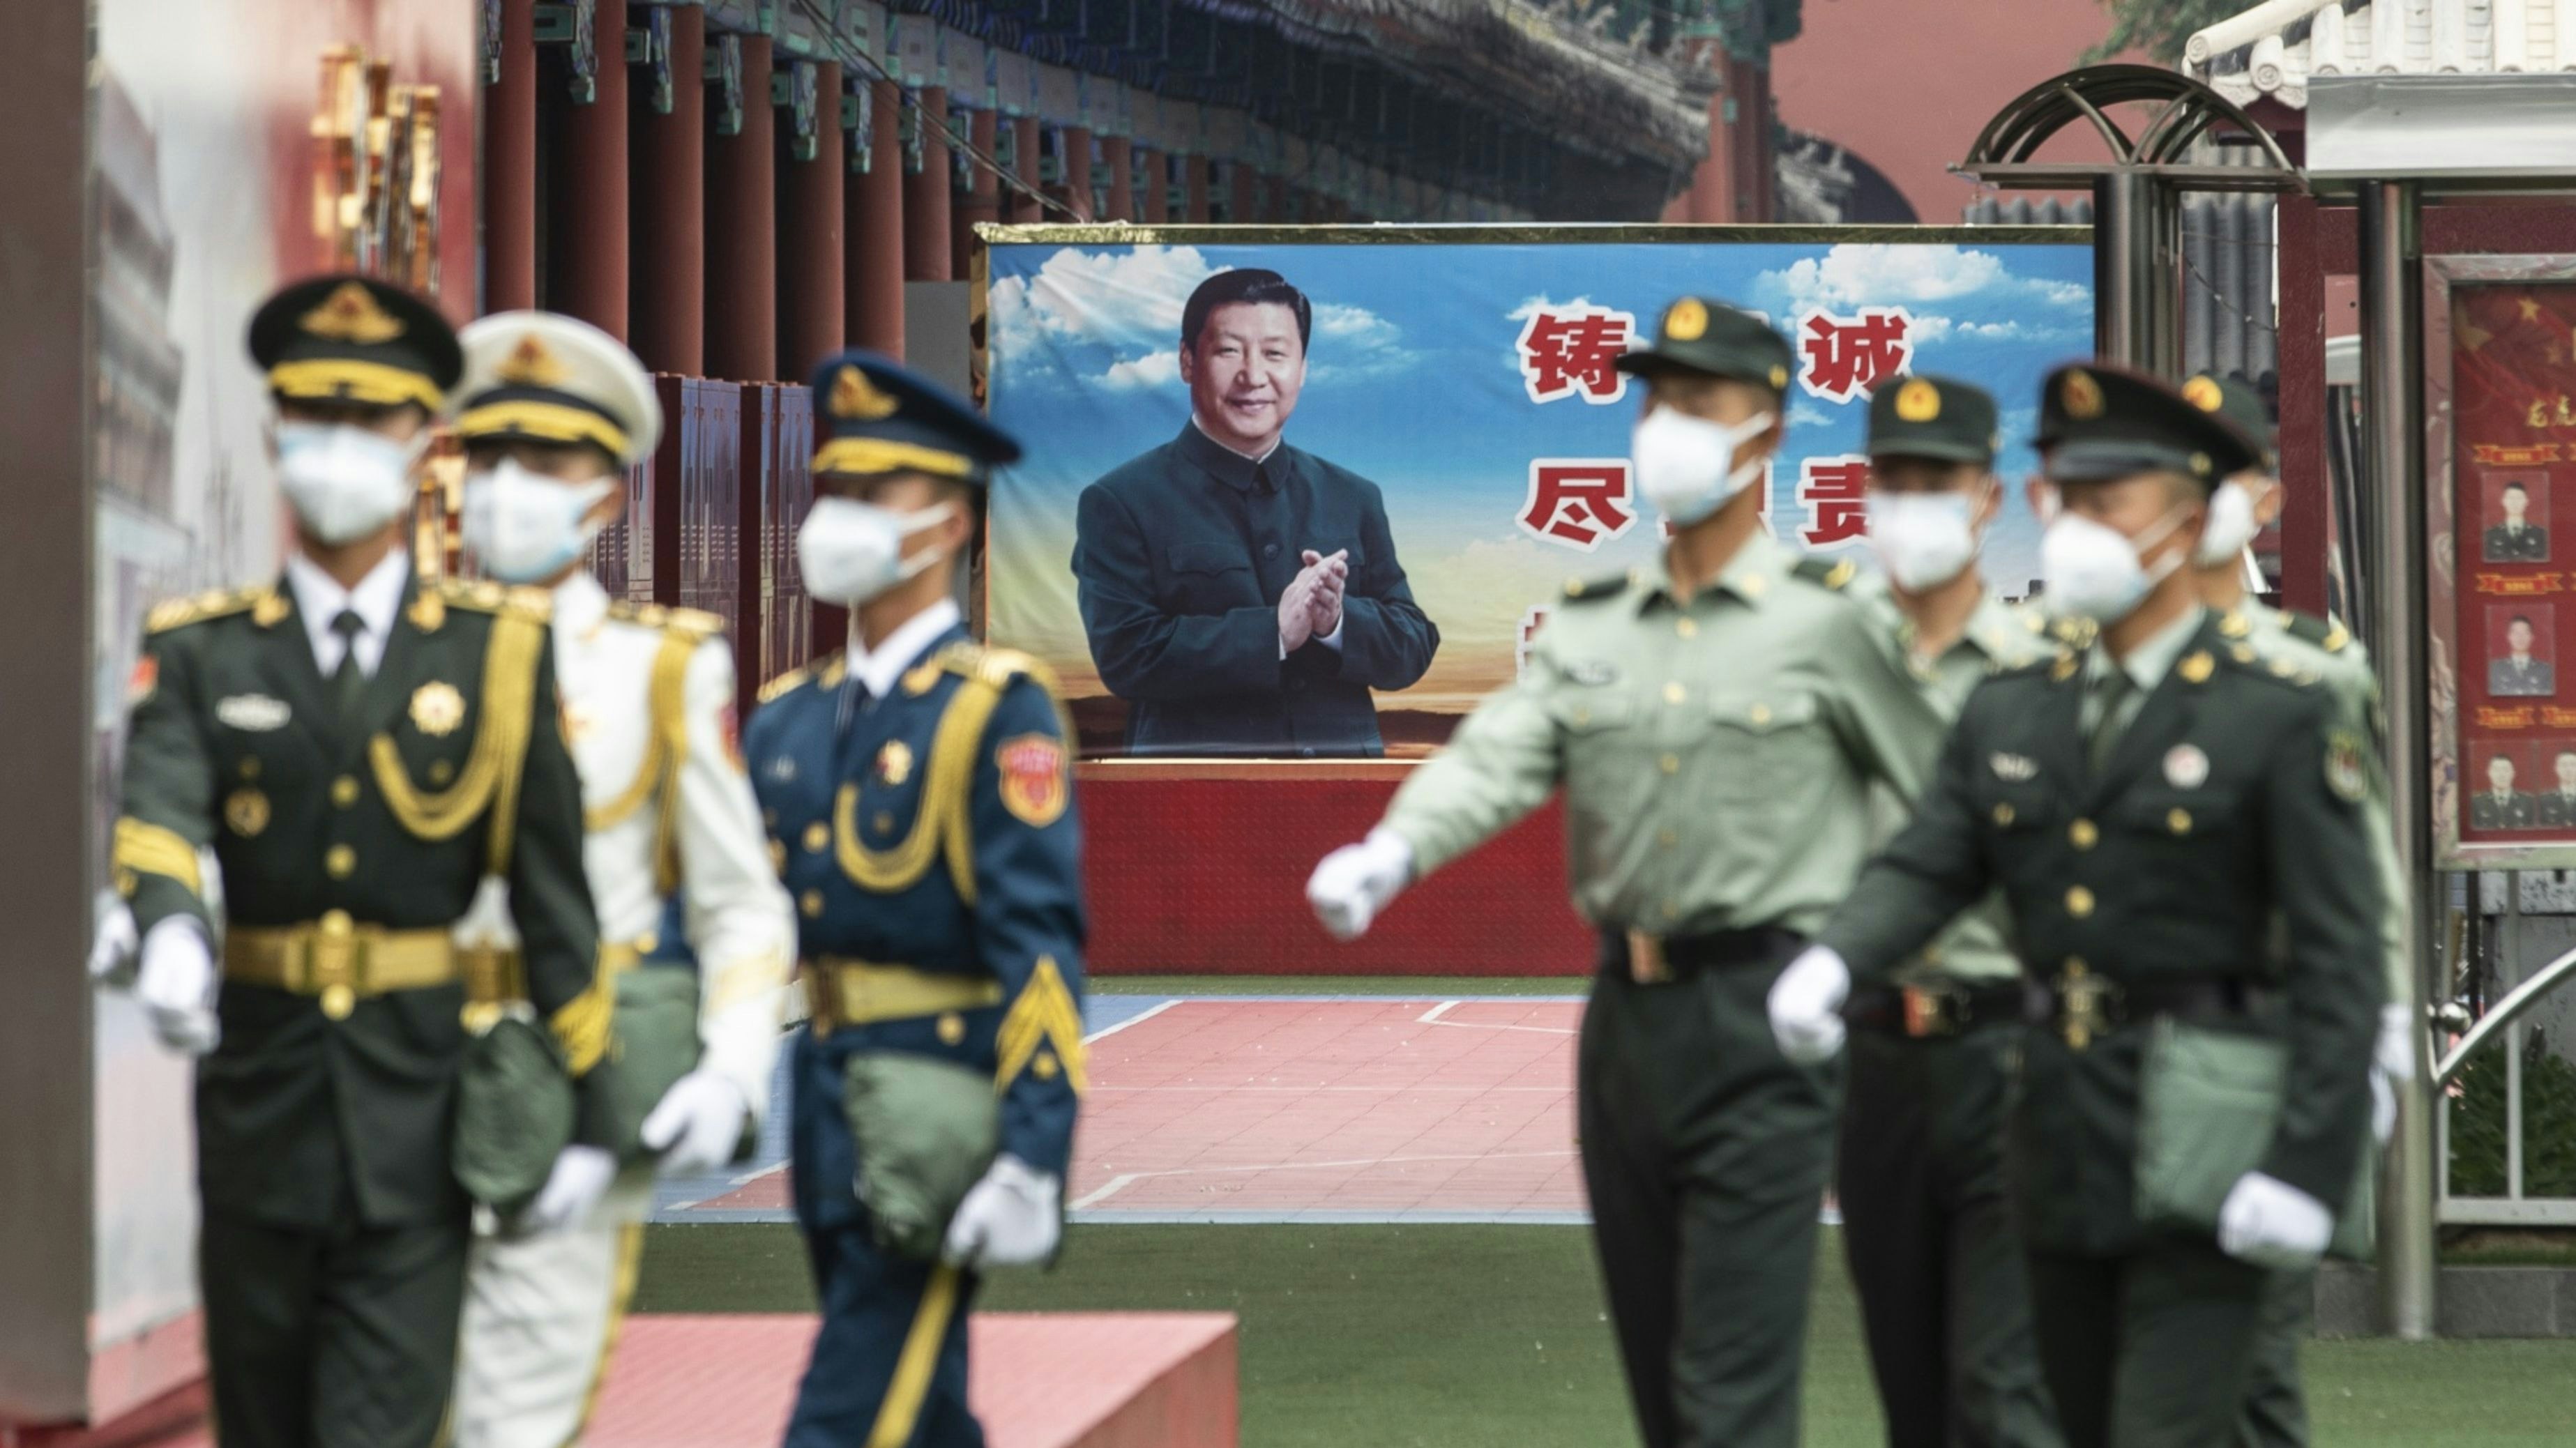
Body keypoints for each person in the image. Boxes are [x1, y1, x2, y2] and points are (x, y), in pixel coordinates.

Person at [1305, 298, 1930, 1448]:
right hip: (1625, 1032)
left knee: (1731, 1383)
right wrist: (1391, 847)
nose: (1666, 430)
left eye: (1698, 405)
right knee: (1658, 1377)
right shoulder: (1600, 623)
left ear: (1766, 432)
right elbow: (1497, 752)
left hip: (1768, 1017)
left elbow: (1935, 817)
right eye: (1654, 403)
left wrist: (1850, 956)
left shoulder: (1831, 627)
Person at [1769, 364, 2384, 1448]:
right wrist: (1835, 960)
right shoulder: (2018, 702)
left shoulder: (2278, 710)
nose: (2077, 526)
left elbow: (2342, 957)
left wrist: (2309, 1158)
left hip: (2213, 1135)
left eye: (2112, 503)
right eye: (2066, 496)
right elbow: (1930, 860)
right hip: (2056, 1133)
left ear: (2186, 521)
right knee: (2072, 1419)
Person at [101, 275, 605, 1448]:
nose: (338, 449)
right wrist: (173, 924)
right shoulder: (205, 653)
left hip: (418, 1115)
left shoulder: (496, 658)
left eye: (369, 422)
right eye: (313, 421)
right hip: (258, 1117)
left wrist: (591, 1109)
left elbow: (554, 905)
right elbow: (162, 802)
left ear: (419, 441)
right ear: (277, 438)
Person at [444, 312, 796, 1447]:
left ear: (602, 497)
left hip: (577, 1061)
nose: (507, 493)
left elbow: (738, 903)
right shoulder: (392, 653)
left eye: (543, 470)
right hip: (391, 1060)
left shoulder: (660, 670)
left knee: (516, 1407)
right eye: (488, 462)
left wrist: (733, 1067)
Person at [750, 351, 1087, 1447]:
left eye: (871, 495)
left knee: (846, 1415)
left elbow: (1037, 941)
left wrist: (1035, 1151)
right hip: (828, 1094)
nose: (836, 517)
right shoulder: (789, 717)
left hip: (939, 1102)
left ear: (947, 524)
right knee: (923, 1409)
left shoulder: (999, 709)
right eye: (832, 490)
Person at [2180, 372, 2416, 1448]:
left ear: (2265, 499)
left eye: (2217, 474)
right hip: (2095, 1061)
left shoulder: (2308, 674)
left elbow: (2354, 885)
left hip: (2245, 1058)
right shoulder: (2068, 665)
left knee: (2244, 1365)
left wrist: (2375, 1033)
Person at [1841, 374, 2064, 1448]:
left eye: (1940, 481)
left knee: (1999, 1385)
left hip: (2011, 1053)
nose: (1915, 502)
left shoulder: (2049, 673)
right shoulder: (1821, 657)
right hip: (1869, 1058)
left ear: (1988, 498)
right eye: (1895, 480)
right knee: (1910, 1387)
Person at [1073, 267, 1439, 757]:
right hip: (1197, 800)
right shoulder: (1121, 500)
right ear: (1187, 360)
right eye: (1229, 350)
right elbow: (1127, 655)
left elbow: (1413, 644)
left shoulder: (1353, 495)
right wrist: (1274, 633)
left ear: (1303, 368)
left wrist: (1336, 622)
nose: (1254, 376)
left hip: (1343, 795)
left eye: (1275, 353)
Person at [2490, 615, 2554, 696]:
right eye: (2516, 633)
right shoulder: (2495, 669)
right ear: (2509, 637)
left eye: (2525, 633)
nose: (2520, 638)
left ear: (2532, 637)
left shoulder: (2546, 670)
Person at [2484, 481, 2548, 563]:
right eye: (2511, 498)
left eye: (2519, 498)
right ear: (2504, 501)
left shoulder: (2541, 534)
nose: (2515, 502)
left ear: (2526, 502)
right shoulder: (2490, 535)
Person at [2471, 755, 2534, 831]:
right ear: (2489, 773)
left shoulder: (2528, 802)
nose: (2501, 775)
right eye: (2496, 770)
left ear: (2513, 773)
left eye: (2506, 770)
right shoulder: (2476, 803)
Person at [2538, 751, 2576, 828]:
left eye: (2573, 765)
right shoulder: (2544, 800)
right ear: (2556, 769)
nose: (2569, 769)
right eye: (2564, 765)